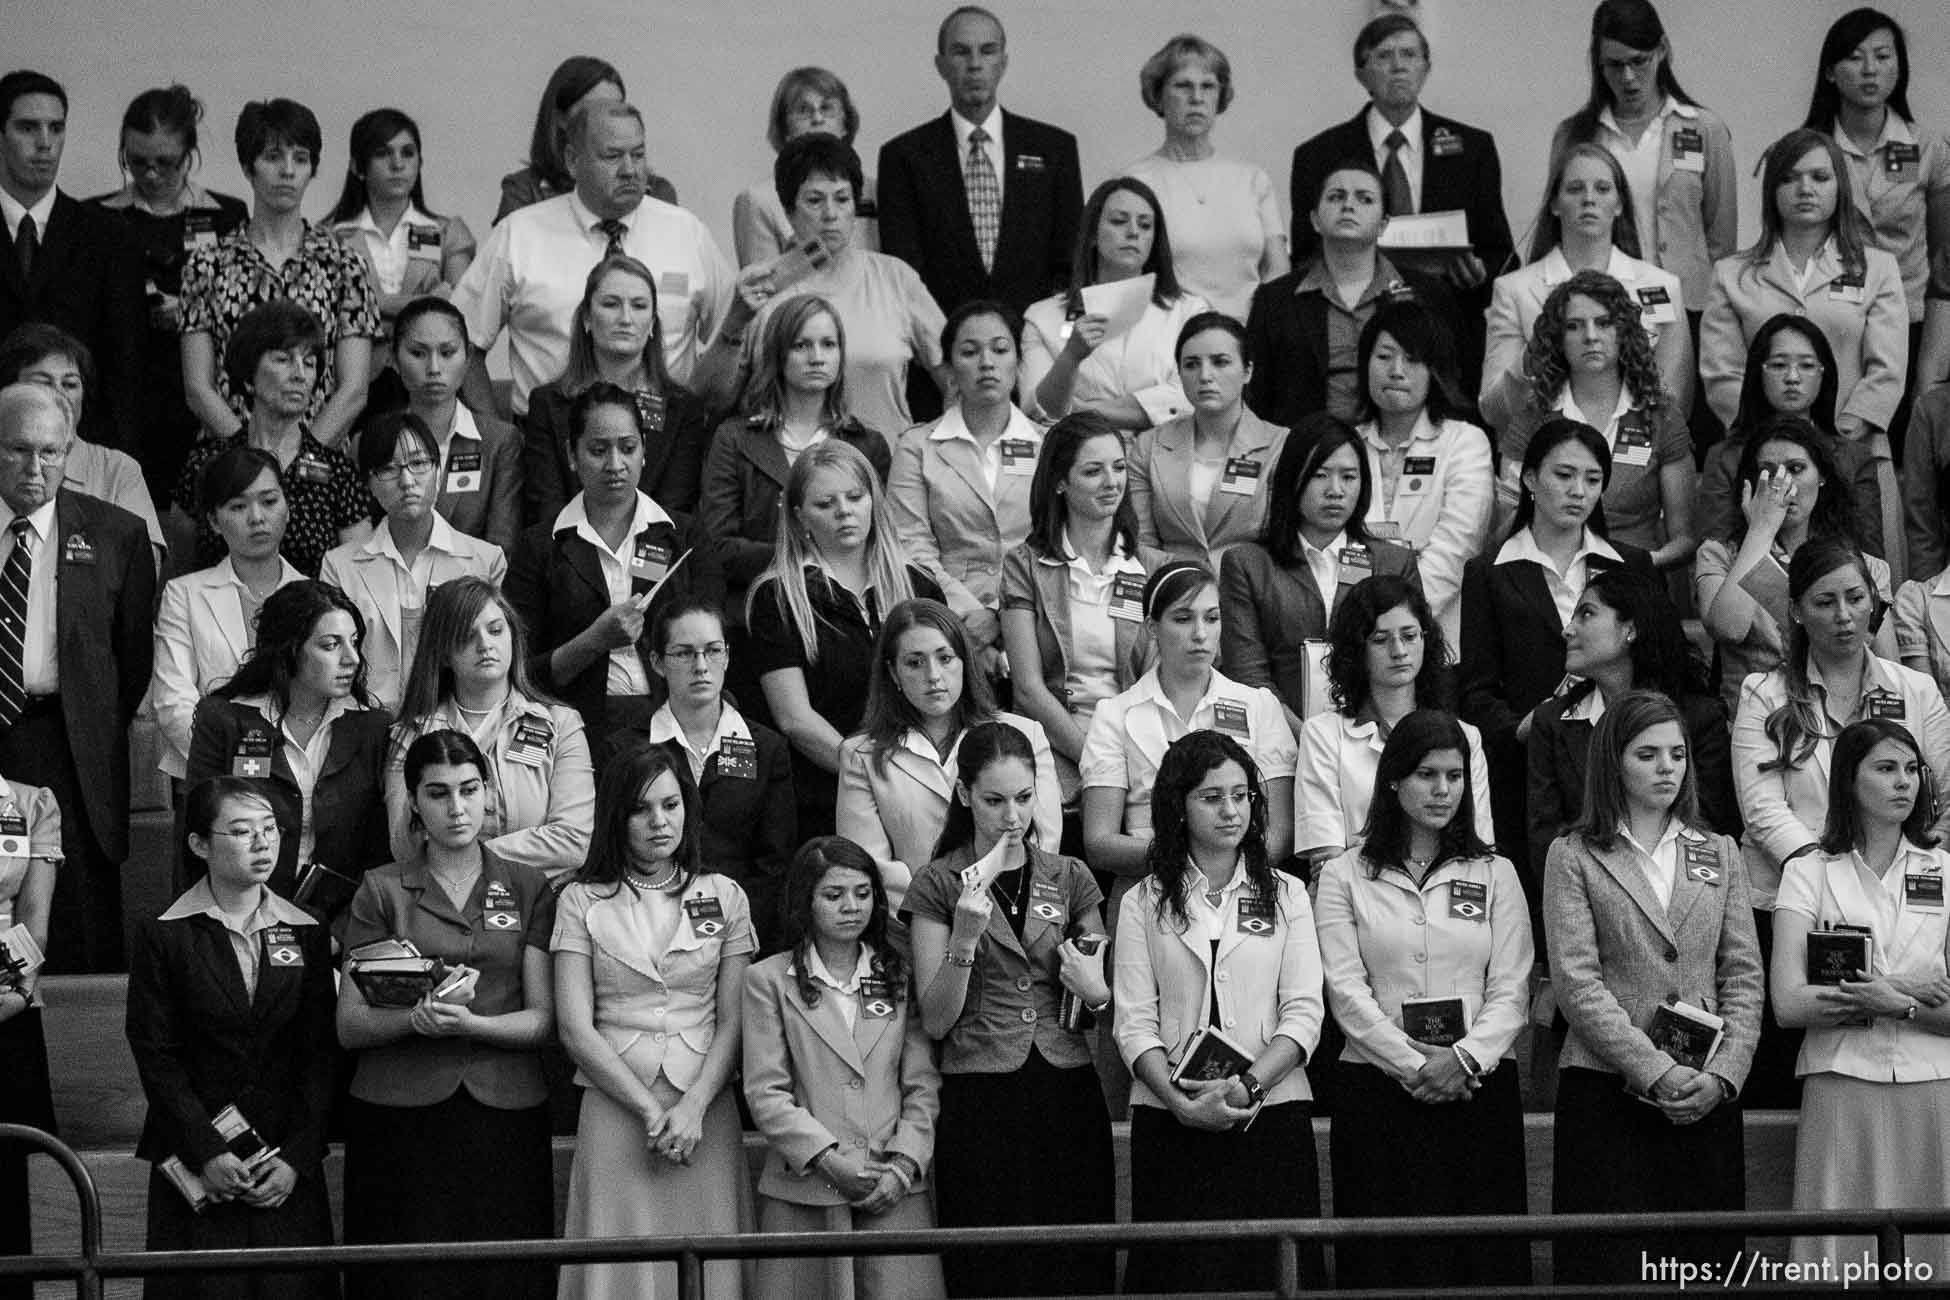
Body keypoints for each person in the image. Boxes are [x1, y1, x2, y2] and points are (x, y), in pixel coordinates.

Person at [1545, 690, 1763, 1286]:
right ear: (1612, 761)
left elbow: (1743, 975)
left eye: (1677, 754)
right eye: (1648, 754)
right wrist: (1656, 1070)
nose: (1668, 767)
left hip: (1705, 1093)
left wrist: (1724, 1076)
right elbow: (1577, 983)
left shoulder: (1717, 851)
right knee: (1610, 1270)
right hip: (1606, 1091)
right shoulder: (1574, 855)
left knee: (1704, 1267)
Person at [337, 730, 555, 1300]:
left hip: (505, 1108)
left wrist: (472, 1026)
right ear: (413, 801)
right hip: (398, 1112)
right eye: (438, 793)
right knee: (405, 1281)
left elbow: (542, 1021)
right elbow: (350, 1025)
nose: (456, 808)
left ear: (488, 792)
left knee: (505, 1281)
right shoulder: (381, 890)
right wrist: (416, 1020)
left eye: (468, 789)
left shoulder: (530, 886)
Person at [1315, 710, 1531, 1289]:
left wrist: (1460, 1060)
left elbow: (1511, 990)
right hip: (1379, 1089)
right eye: (1427, 775)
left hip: (1477, 1087)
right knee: (1389, 1264)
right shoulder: (1343, 874)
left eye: (1455, 776)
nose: (1443, 791)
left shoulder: (1496, 872)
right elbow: (1345, 990)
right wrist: (1417, 1065)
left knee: (1481, 1263)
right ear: (1393, 781)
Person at [1731, 539, 1950, 1107]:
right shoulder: (1766, 691)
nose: (1845, 614)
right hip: (1787, 901)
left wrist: (1910, 862)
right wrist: (1829, 876)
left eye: (1856, 598)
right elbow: (1762, 807)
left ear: (1874, 603)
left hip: (1907, 905)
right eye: (1825, 602)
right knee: (1791, 1086)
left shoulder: (1916, 690)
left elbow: (1943, 797)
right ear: (1798, 609)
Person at [904, 720, 1113, 1297]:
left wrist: (1093, 990)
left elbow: (1093, 1007)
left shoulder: (1069, 876)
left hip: (1065, 1084)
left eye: (1024, 798)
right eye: (995, 801)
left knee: (1074, 1260)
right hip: (980, 1092)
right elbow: (938, 1018)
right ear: (964, 794)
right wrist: (965, 940)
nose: (1012, 817)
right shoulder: (938, 883)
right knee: (991, 1264)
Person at [1113, 729, 1324, 1295]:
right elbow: (1134, 1022)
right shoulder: (1143, 900)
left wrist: (1248, 1088)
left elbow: (1304, 1014)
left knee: (1273, 1275)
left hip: (1271, 1113)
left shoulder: (1287, 894)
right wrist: (1182, 1103)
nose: (1231, 810)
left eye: (1241, 795)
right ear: (1178, 807)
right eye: (1211, 797)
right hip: (1170, 1117)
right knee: (1182, 1277)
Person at [552, 745, 753, 1300]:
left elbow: (735, 1023)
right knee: (620, 1264)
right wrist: (651, 1112)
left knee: (710, 1263)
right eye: (641, 809)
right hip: (617, 1106)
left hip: (706, 1109)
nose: (659, 822)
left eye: (670, 805)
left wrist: (689, 1110)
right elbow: (574, 1028)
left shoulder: (726, 895)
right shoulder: (578, 899)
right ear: (616, 817)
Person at [125, 775, 337, 1300]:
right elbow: (156, 1054)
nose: (263, 843)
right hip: (198, 1163)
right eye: (242, 831)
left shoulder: (306, 926)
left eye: (270, 829)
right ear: (199, 845)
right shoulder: (164, 932)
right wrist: (207, 1151)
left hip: (283, 1165)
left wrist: (297, 1158)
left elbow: (320, 1053)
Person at [1771, 718, 1950, 1279]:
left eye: (1912, 769)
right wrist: (1907, 989)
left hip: (1933, 1083)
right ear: (1849, 780)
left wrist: (1894, 1000)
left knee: (1932, 1250)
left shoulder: (1945, 870)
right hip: (1841, 1079)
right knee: (1837, 1251)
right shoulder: (1807, 872)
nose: (1905, 782)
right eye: (1886, 768)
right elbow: (1789, 1004)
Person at [1699, 128, 1907, 578]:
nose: (1805, 189)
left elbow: (1886, 373)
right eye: (1790, 178)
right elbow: (1722, 375)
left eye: (1819, 177)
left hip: (1855, 451)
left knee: (1865, 586)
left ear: (1840, 187)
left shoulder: (1878, 268)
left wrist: (1826, 443)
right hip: (1756, 454)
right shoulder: (1733, 273)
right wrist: (1772, 441)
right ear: (1772, 190)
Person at [1459, 417, 1656, 893]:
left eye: (1592, 480)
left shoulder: (1632, 564)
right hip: (1528, 768)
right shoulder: (1490, 572)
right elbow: (1476, 689)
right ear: (1529, 480)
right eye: (1563, 476)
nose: (1578, 492)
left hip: (1622, 751)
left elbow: (1658, 660)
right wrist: (1521, 727)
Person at [741, 837, 943, 1299]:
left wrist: (904, 1164)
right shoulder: (767, 980)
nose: (851, 906)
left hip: (894, 1190)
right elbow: (766, 1093)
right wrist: (829, 1161)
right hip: (806, 1192)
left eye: (863, 892)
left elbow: (921, 1085)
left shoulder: (899, 976)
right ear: (804, 901)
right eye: (833, 895)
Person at [451, 101, 735, 420]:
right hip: (550, 443)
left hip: (666, 442)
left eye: (638, 154)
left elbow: (732, 339)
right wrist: (496, 435)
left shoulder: (687, 233)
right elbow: (460, 341)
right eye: (612, 156)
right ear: (573, 161)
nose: (630, 170)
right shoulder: (519, 234)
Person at [0, 384, 154, 972]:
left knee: (78, 924)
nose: (36, 469)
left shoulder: (117, 534)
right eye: (17, 450)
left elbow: (130, 661)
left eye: (52, 453)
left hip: (72, 747)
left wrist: (92, 721)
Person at [1288, 12, 1515, 393]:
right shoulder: (1319, 154)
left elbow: (1501, 252)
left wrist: (1479, 271)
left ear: (1426, 68)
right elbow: (1305, 255)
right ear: (1361, 73)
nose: (1398, 66)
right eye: (1384, 56)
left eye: (1409, 55)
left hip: (1450, 328)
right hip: (1354, 333)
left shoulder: (1472, 147)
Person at [503, 382, 718, 760]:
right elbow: (521, 671)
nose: (615, 465)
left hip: (676, 722)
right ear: (572, 455)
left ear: (644, 452)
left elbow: (714, 646)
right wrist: (593, 641)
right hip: (576, 730)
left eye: (628, 448)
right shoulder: (539, 546)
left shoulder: (684, 536)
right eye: (598, 451)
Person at [1081, 561, 1297, 929]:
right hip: (1148, 890)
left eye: (1212, 618)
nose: (1200, 633)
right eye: (1183, 619)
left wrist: (1222, 866)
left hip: (1243, 893)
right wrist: (1193, 857)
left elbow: (1279, 832)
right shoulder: (1115, 713)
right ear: (1152, 628)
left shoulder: (1259, 705)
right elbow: (1099, 842)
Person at [748, 436, 943, 838]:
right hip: (826, 797)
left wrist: (917, 776)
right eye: (825, 504)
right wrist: (868, 777)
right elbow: (794, 719)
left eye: (855, 497)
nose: (844, 512)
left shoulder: (919, 586)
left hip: (926, 787)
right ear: (799, 516)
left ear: (874, 500)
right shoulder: (778, 597)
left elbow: (946, 694)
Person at [1550, 0, 1737, 395]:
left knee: (1675, 424)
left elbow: (1721, 236)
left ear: (1663, 50)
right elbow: (1559, 226)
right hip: (1600, 310)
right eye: (1614, 65)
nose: (1629, 77)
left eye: (1640, 61)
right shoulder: (1577, 135)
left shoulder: (1704, 128)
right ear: (1598, 65)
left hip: (1687, 305)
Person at [184, 580, 391, 923]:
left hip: (340, 922)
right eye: (331, 645)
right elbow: (197, 838)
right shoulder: (225, 719)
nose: (352, 659)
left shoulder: (371, 729)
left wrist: (345, 932)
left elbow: (378, 853)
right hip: (238, 917)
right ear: (290, 649)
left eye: (354, 643)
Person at [179, 97, 378, 450]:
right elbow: (198, 387)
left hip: (320, 462)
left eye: (300, 159)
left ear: (312, 169)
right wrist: (253, 461)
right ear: (247, 166)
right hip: (231, 464)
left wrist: (300, 458)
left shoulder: (345, 264)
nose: (288, 170)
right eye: (273, 157)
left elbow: (353, 389)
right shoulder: (206, 264)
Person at [837, 598, 1059, 909]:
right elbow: (869, 866)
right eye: (915, 662)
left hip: (1015, 914)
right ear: (893, 673)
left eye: (945, 658)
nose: (933, 675)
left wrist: (991, 906)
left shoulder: (1025, 733)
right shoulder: (860, 755)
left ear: (965, 662)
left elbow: (1043, 842)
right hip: (913, 929)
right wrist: (940, 911)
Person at [89, 83, 247, 503]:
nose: (152, 174)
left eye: (166, 163)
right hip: (125, 391)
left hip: (204, 390)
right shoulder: (97, 217)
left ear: (189, 154)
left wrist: (193, 313)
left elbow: (242, 304)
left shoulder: (226, 214)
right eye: (137, 163)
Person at [877, 6, 1084, 323]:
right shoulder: (904, 157)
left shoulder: (1055, 149)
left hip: (1037, 349)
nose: (975, 65)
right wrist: (935, 360)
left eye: (987, 51)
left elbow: (1070, 266)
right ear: (941, 65)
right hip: (943, 353)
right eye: (961, 52)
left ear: (1003, 62)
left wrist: (1063, 345)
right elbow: (904, 276)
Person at [1528, 567, 1736, 881]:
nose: (1567, 630)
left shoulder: (1699, 719)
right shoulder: (1553, 722)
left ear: (1631, 629)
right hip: (1582, 898)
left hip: (1680, 897)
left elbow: (1709, 828)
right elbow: (1545, 842)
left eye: (1586, 614)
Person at [697, 294, 891, 627]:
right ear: (777, 354)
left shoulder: (867, 444)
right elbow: (717, 546)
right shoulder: (734, 438)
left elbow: (883, 541)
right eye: (801, 345)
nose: (817, 357)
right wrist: (810, 555)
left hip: (850, 613)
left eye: (828, 344)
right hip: (756, 612)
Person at [1000, 411, 1165, 803]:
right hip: (1056, 747)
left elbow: (1164, 683)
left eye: (1119, 467)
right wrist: (1096, 760)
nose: (1112, 482)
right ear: (1060, 482)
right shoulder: (1024, 565)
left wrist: (1129, 760)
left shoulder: (1156, 568)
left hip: (1141, 746)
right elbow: (1027, 690)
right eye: (1093, 471)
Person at [1221, 413, 1419, 737]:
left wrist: (1361, 743)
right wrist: (1310, 741)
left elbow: (1410, 667)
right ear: (1291, 480)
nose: (1335, 490)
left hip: (1378, 742)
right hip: (1277, 742)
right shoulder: (1247, 564)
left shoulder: (1394, 562)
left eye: (1349, 476)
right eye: (1320, 475)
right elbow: (1249, 676)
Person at [737, 134, 946, 439]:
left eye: (842, 198)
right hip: (791, 472)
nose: (831, 214)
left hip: (888, 469)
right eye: (814, 200)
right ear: (788, 211)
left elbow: (955, 378)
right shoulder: (764, 287)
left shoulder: (895, 278)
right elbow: (725, 394)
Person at [1804, 9, 1950, 445]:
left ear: (1899, 67)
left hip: (1912, 320)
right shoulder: (1810, 149)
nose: (1870, 70)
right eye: (1854, 57)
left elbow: (1945, 257)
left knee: (1911, 446)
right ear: (1830, 71)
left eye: (1883, 56)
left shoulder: (1927, 148)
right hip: (1836, 318)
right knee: (1838, 440)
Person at [384, 577, 593, 882]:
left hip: (541, 904)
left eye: (496, 630)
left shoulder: (561, 724)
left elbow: (572, 842)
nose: (485, 645)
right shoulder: (411, 734)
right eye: (467, 636)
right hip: (446, 905)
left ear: (513, 637)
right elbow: (403, 848)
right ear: (442, 653)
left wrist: (465, 859)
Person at [622, 599, 794, 953]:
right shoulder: (625, 749)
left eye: (713, 651)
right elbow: (616, 849)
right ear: (656, 662)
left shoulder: (767, 748)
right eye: (684, 654)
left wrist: (734, 934)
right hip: (643, 928)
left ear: (728, 656)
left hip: (742, 932)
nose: (701, 666)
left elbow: (774, 865)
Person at [1491, 271, 1696, 567]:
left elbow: (1685, 540)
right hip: (1546, 582)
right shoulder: (1533, 416)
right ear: (1558, 339)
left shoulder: (1660, 416)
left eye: (1604, 323)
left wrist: (1641, 562)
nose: (1590, 336)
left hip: (1633, 581)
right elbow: (1501, 538)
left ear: (1624, 331)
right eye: (1574, 326)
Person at [1480, 142, 1691, 425]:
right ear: (1554, 204)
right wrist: (1528, 363)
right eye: (1575, 188)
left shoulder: (1663, 287)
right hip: (1546, 454)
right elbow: (1493, 411)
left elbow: (1675, 403)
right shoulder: (1513, 290)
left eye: (1602, 188)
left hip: (1637, 456)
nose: (1589, 199)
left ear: (1619, 204)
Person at [1697, 414, 1893, 714]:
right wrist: (1761, 531)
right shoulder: (1718, 555)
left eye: (1796, 469)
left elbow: (1889, 670)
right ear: (1750, 485)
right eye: (1768, 471)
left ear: (1822, 476)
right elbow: (1729, 628)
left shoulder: (1866, 567)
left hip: (1844, 724)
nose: (1782, 483)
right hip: (1753, 721)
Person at [1295, 575, 1493, 869]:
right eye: (1380, 639)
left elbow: (1477, 849)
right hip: (1356, 900)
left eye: (1410, 636)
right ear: (1355, 650)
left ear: (1426, 638)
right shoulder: (1323, 734)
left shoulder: (1466, 736)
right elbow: (1325, 858)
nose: (1399, 651)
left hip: (1446, 900)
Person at [888, 301, 1039, 678]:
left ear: (1018, 364)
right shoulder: (916, 445)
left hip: (1037, 619)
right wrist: (967, 623)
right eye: (970, 352)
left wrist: (1002, 617)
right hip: (947, 627)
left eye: (1000, 349)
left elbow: (1055, 541)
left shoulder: (1048, 444)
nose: (986, 362)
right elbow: (911, 548)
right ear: (951, 370)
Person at [318, 410, 506, 712]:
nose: (407, 481)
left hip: (455, 725)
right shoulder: (339, 566)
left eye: (418, 464)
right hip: (363, 725)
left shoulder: (485, 560)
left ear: (439, 471)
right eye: (389, 469)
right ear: (369, 483)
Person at [0, 71, 146, 452]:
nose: (45, 143)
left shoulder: (109, 236)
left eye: (56, 128)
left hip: (81, 453)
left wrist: (110, 462)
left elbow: (126, 371)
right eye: (28, 127)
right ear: (0, 135)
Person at [175, 300, 377, 576]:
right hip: (219, 614)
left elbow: (359, 579)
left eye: (309, 363)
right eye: (283, 360)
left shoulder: (338, 473)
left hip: (315, 614)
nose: (299, 374)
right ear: (249, 376)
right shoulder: (207, 464)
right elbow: (182, 565)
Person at [1248, 160, 1450, 428]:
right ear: (1315, 220)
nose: (1348, 205)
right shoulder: (1274, 300)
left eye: (1365, 199)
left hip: (1404, 448)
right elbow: (1256, 399)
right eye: (1336, 197)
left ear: (1383, 224)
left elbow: (1450, 389)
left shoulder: (1428, 294)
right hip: (1304, 452)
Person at [521, 254, 715, 529]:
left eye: (639, 306)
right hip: (567, 557)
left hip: (653, 560)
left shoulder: (683, 409)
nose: (625, 318)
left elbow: (674, 513)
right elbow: (546, 508)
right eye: (611, 304)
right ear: (587, 318)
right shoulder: (549, 403)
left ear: (652, 324)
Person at [148, 448, 304, 786]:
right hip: (211, 781)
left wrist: (283, 765)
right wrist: (235, 762)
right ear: (214, 522)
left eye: (269, 501)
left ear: (288, 507)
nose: (257, 517)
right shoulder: (184, 594)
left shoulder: (313, 595)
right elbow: (173, 700)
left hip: (300, 778)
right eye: (238, 506)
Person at [1351, 298, 1494, 642]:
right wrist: (1357, 622)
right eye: (1384, 356)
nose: (1396, 370)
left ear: (1436, 370)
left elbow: (1457, 548)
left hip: (1437, 632)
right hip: (1353, 631)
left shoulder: (1465, 442)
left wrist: (1393, 620)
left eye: (1413, 359)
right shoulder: (1346, 445)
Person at [1123, 34, 1286, 321]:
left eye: (1208, 86)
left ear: (1220, 97)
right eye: (1183, 86)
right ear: (1158, 96)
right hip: (1169, 340)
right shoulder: (1135, 182)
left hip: (1248, 338)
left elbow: (1277, 269)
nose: (1197, 98)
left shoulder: (1252, 179)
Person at [1018, 177, 1204, 429]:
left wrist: (1084, 410)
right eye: (1119, 221)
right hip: (1080, 458)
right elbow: (1036, 409)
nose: (1134, 232)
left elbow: (1191, 397)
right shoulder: (1043, 317)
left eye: (1146, 225)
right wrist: (1071, 357)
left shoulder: (1189, 312)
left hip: (1165, 457)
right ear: (1093, 234)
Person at [1700, 314, 1881, 552]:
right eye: (1778, 365)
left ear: (1823, 373)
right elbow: (1717, 553)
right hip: (1743, 583)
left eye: (1806, 365)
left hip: (1835, 584)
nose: (1792, 378)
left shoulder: (1854, 458)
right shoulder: (1725, 457)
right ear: (1758, 372)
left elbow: (1870, 557)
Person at [1129, 311, 1289, 568]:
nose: (1205, 376)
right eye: (1191, 364)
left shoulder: (1281, 445)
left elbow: (1282, 542)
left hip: (1250, 592)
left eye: (1220, 362)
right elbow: (1140, 543)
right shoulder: (1148, 446)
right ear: (1179, 374)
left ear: (1248, 371)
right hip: (1173, 591)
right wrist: (1191, 579)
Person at [0, 322, 164, 555]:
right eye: (42, 382)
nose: (58, 394)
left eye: (70, 384)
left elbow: (145, 567)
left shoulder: (117, 470)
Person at [327, 108, 475, 348]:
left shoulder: (447, 233)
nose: (397, 164)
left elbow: (455, 312)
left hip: (428, 374)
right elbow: (329, 312)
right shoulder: (331, 237)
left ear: (420, 163)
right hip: (354, 375)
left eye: (407, 153)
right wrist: (421, 303)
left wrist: (369, 304)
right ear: (357, 167)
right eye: (382, 153)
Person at [390, 296, 521, 551]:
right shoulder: (371, 442)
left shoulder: (499, 442)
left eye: (447, 353)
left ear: (468, 357)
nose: (434, 368)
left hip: (475, 587)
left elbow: (501, 549)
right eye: (418, 353)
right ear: (394, 359)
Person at [0, 768, 60, 1300]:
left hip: (9, 1006)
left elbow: (34, 917)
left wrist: (15, 994)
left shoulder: (31, 802)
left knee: (13, 1182)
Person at [494, 56, 677, 224]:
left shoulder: (656, 191)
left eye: (615, 109)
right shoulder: (524, 192)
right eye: (594, 110)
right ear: (560, 119)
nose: (607, 121)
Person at [733, 66, 880, 267]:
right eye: (804, 110)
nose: (818, 119)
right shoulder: (758, 200)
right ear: (785, 129)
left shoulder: (876, 190)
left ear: (846, 124)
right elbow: (764, 286)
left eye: (827, 108)